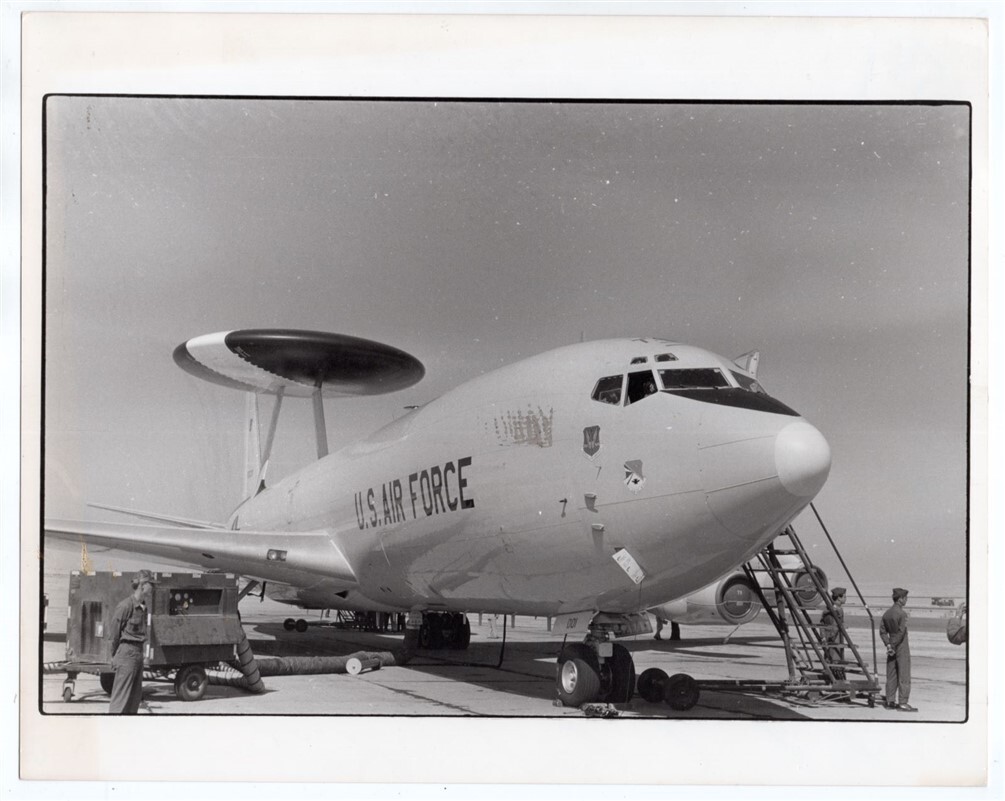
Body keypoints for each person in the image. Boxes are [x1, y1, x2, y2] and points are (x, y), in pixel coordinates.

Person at [108, 569, 156, 714]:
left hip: (137, 654)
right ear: (142, 585)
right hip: (127, 654)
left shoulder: (143, 606)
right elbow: (114, 634)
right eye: (151, 584)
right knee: (120, 700)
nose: (153, 587)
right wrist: (114, 656)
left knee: (133, 699)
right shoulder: (125, 606)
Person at [880, 587, 916, 712]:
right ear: (900, 599)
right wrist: (894, 645)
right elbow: (901, 633)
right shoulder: (902, 614)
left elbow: (882, 631)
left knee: (891, 674)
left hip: (891, 645)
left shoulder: (887, 613)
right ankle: (903, 702)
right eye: (905, 598)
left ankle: (890, 701)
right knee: (904, 674)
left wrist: (888, 645)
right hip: (901, 646)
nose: (906, 600)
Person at [820, 586, 847, 681]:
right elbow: (836, 626)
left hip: (827, 639)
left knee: (829, 660)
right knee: (836, 661)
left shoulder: (827, 609)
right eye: (844, 597)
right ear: (839, 598)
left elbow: (821, 624)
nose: (845, 599)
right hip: (835, 640)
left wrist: (823, 637)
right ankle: (837, 680)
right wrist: (831, 637)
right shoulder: (837, 610)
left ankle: (829, 679)